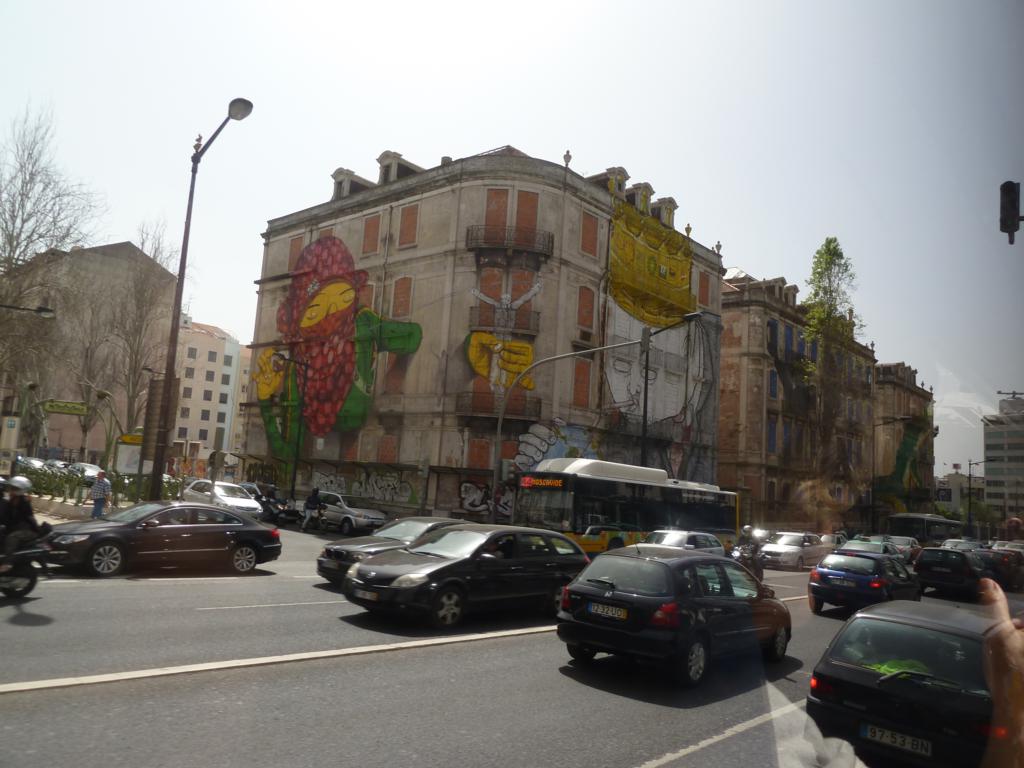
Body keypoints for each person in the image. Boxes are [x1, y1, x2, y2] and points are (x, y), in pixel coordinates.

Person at [0, 476, 41, 573]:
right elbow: (6, 517)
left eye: (14, 488)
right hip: (16, 528)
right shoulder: (11, 501)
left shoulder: (24, 502)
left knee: (12, 537)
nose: (11, 490)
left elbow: (29, 518)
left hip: (27, 530)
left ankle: (7, 563)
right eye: (11, 488)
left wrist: (37, 530)